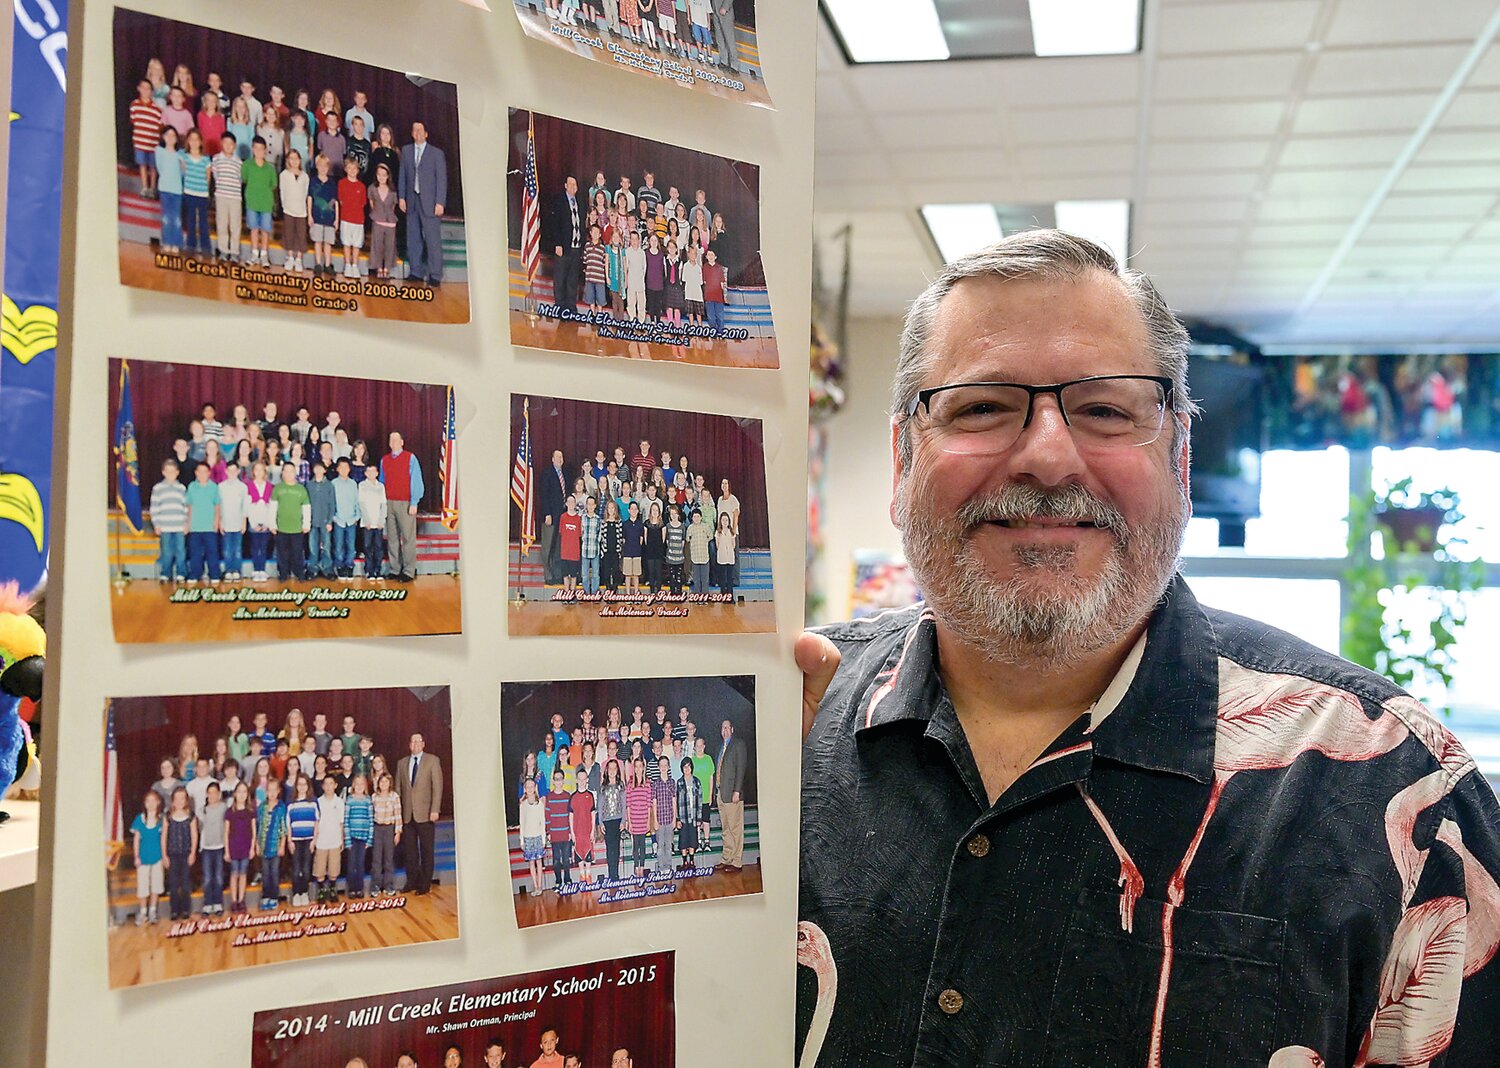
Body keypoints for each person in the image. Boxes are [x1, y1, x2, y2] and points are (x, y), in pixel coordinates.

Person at [793, 231, 1500, 1066]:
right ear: (904, 460)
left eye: (1105, 410)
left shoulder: (1397, 790)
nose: (1049, 456)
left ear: (1181, 459)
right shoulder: (776, 723)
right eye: (982, 406)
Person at [398, 121, 448, 286]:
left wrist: (440, 202)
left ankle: (435, 275)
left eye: (420, 130)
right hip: (412, 200)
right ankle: (416, 272)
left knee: (433, 240)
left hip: (431, 203)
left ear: (426, 134)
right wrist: (402, 197)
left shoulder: (436, 154)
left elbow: (441, 179)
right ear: (412, 133)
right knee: (413, 238)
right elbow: (403, 175)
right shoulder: (406, 151)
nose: (418, 133)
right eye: (415, 130)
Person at [395, 732, 443, 895]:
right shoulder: (402, 763)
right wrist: (398, 813)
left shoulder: (432, 760)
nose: (415, 744)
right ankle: (412, 881)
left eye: (418, 741)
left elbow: (437, 787)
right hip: (407, 815)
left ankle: (425, 884)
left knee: (426, 850)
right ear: (409, 745)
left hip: (426, 813)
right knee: (410, 851)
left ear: (423, 744)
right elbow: (398, 790)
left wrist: (435, 809)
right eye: (412, 741)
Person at [380, 432, 423, 583]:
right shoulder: (384, 460)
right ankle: (394, 569)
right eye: (391, 439)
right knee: (392, 538)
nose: (393, 442)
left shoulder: (410, 458)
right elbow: (381, 482)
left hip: (405, 503)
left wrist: (414, 502)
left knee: (408, 537)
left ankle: (409, 570)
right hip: (389, 502)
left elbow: (416, 480)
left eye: (396, 439)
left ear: (402, 442)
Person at [548, 176, 586, 313]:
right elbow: (555, 224)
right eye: (570, 184)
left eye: (575, 184)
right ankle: (559, 306)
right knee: (560, 277)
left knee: (572, 278)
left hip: (576, 248)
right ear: (565, 185)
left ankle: (571, 306)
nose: (573, 187)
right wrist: (557, 244)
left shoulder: (579, 202)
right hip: (563, 247)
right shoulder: (559, 201)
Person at [714, 717, 745, 872]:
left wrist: (737, 791)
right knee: (726, 829)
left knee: (735, 828)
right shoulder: (720, 747)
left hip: (733, 794)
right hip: (721, 793)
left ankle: (737, 862)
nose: (725, 730)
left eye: (727, 727)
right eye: (722, 728)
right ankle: (727, 859)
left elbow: (741, 769)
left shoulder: (738, 745)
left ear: (732, 729)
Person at [130, 789, 166, 925]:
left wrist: (163, 856)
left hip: (157, 857)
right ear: (145, 804)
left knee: (156, 885)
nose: (151, 804)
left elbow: (163, 839)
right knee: (143, 886)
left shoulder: (162, 820)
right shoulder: (140, 819)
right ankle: (143, 911)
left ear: (158, 803)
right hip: (143, 858)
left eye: (153, 801)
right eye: (148, 801)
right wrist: (136, 856)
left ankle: (152, 911)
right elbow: (136, 839)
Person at [271, 461, 311, 581]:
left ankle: (299, 572)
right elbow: (273, 508)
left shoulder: (301, 489)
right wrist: (272, 524)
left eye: (291, 471)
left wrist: (306, 524)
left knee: (297, 552)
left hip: (297, 528)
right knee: (282, 552)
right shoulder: (278, 488)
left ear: (296, 473)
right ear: (282, 473)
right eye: (286, 471)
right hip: (281, 527)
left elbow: (306, 508)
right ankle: (283, 573)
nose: (289, 474)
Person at [150, 458, 188, 583]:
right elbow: (154, 507)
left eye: (173, 471)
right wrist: (157, 524)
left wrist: (187, 523)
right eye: (168, 471)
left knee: (180, 551)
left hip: (179, 526)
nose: (170, 474)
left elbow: (186, 507)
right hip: (165, 526)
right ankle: (166, 573)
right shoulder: (158, 488)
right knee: (166, 551)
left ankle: (181, 573)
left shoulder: (182, 488)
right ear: (163, 472)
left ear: (177, 472)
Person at [241, 136, 277, 266]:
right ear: (252, 149)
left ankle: (264, 255)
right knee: (254, 229)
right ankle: (254, 254)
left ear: (265, 150)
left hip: (266, 203)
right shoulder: (247, 165)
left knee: (265, 230)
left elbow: (273, 184)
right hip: (252, 202)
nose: (259, 151)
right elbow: (244, 179)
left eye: (261, 149)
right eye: (256, 148)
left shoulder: (270, 168)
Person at [311, 774, 345, 904]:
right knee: (320, 868)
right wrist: (315, 839)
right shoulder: (318, 802)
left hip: (335, 839)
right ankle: (321, 890)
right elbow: (316, 821)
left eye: (331, 784)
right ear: (323, 786)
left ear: (335, 785)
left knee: (334, 868)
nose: (329, 787)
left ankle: (332, 888)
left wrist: (342, 839)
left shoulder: (340, 802)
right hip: (321, 840)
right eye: (326, 784)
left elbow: (341, 822)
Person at [224, 780, 256, 914]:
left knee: (243, 874)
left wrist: (252, 847)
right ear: (235, 794)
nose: (242, 794)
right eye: (239, 792)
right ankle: (234, 900)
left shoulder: (250, 811)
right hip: (233, 847)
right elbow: (226, 833)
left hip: (246, 846)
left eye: (244, 792)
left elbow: (253, 831)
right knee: (234, 874)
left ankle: (241, 899)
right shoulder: (230, 812)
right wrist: (226, 851)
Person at [538, 450, 568, 585]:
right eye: (557, 457)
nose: (560, 459)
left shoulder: (565, 473)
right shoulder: (547, 473)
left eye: (561, 457)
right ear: (552, 459)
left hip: (561, 517)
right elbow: (544, 495)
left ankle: (557, 574)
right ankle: (548, 574)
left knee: (558, 548)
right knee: (548, 546)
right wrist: (547, 514)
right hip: (550, 516)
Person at [255, 778, 286, 909]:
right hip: (263, 846)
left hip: (275, 846)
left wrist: (282, 845)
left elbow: (283, 828)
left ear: (278, 791)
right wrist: (257, 844)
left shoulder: (281, 807)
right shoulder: (262, 807)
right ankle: (265, 896)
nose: (272, 793)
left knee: (274, 872)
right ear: (266, 792)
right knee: (265, 873)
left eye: (275, 790)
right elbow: (258, 826)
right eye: (270, 790)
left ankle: (274, 896)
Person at [129, 80, 163, 198]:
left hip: (153, 143)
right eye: (143, 88)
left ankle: (153, 188)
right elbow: (134, 121)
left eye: (148, 88)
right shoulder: (134, 105)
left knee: (153, 166)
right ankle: (144, 187)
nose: (145, 90)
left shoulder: (157, 109)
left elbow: (159, 125)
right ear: (139, 88)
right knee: (142, 165)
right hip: (140, 142)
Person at [279, 149, 310, 273]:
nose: (294, 161)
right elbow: (282, 191)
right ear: (288, 161)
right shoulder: (284, 175)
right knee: (289, 233)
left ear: (300, 160)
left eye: (296, 158)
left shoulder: (304, 176)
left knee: (300, 235)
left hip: (301, 210)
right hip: (288, 209)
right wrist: (284, 206)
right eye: (291, 158)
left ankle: (299, 258)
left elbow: (306, 193)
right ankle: (290, 256)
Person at [337, 154, 368, 279]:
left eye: (354, 168)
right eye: (349, 168)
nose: (352, 171)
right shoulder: (341, 183)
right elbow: (341, 201)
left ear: (358, 170)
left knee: (356, 244)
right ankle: (347, 265)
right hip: (346, 218)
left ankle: (355, 265)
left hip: (358, 220)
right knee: (346, 243)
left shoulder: (361, 186)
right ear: (345, 169)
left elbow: (362, 203)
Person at [367, 162, 399, 279]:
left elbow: (393, 206)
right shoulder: (372, 188)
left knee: (389, 246)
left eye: (384, 175)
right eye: (379, 175)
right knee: (377, 246)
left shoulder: (392, 190)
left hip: (390, 222)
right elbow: (372, 204)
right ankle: (379, 267)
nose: (381, 177)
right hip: (378, 220)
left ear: (388, 176)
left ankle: (387, 268)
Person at [344, 773, 374, 899]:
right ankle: (352, 888)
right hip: (351, 837)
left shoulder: (368, 800)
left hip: (363, 837)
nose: (359, 786)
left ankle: (360, 888)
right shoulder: (349, 800)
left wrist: (370, 839)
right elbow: (346, 820)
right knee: (351, 865)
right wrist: (346, 840)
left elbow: (371, 820)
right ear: (353, 786)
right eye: (357, 784)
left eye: (362, 784)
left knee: (360, 864)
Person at [357, 462, 388, 579]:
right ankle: (369, 570)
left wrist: (381, 520)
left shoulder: (381, 486)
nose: (371, 474)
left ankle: (378, 570)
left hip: (378, 523)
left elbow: (384, 504)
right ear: (365, 473)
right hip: (367, 523)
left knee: (379, 547)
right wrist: (367, 520)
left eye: (373, 471)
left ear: (377, 473)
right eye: (368, 471)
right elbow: (362, 504)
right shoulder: (362, 486)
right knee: (368, 547)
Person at [544, 770, 572, 890]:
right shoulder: (549, 797)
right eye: (556, 779)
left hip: (566, 833)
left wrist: (571, 831)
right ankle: (558, 880)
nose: (558, 781)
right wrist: (548, 832)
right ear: (553, 781)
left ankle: (567, 879)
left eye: (560, 778)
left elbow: (571, 816)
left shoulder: (567, 796)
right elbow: (547, 815)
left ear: (563, 781)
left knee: (566, 859)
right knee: (556, 859)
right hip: (554, 834)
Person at [519, 776, 546, 897]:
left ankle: (540, 886)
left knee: (539, 862)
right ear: (524, 789)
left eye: (532, 786)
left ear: (535, 788)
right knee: (531, 862)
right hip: (528, 837)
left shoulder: (540, 804)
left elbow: (542, 822)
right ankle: (535, 886)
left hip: (538, 837)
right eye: (527, 787)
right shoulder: (523, 805)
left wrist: (543, 839)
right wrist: (522, 840)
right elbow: (522, 822)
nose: (530, 789)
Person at [650, 757, 676, 873]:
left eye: (666, 765)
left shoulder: (672, 782)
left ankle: (668, 867)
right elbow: (654, 802)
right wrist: (655, 819)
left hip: (670, 818)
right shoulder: (655, 783)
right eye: (661, 765)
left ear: (669, 767)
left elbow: (674, 801)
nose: (664, 767)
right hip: (659, 819)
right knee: (660, 846)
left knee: (669, 845)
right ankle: (661, 868)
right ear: (658, 767)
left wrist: (675, 818)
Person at [558, 494, 582, 595]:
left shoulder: (578, 518)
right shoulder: (563, 517)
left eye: (573, 502)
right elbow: (561, 532)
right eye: (569, 502)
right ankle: (566, 593)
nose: (571, 504)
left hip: (574, 551)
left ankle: (572, 593)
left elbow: (579, 534)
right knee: (565, 574)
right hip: (565, 550)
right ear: (566, 504)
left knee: (573, 574)